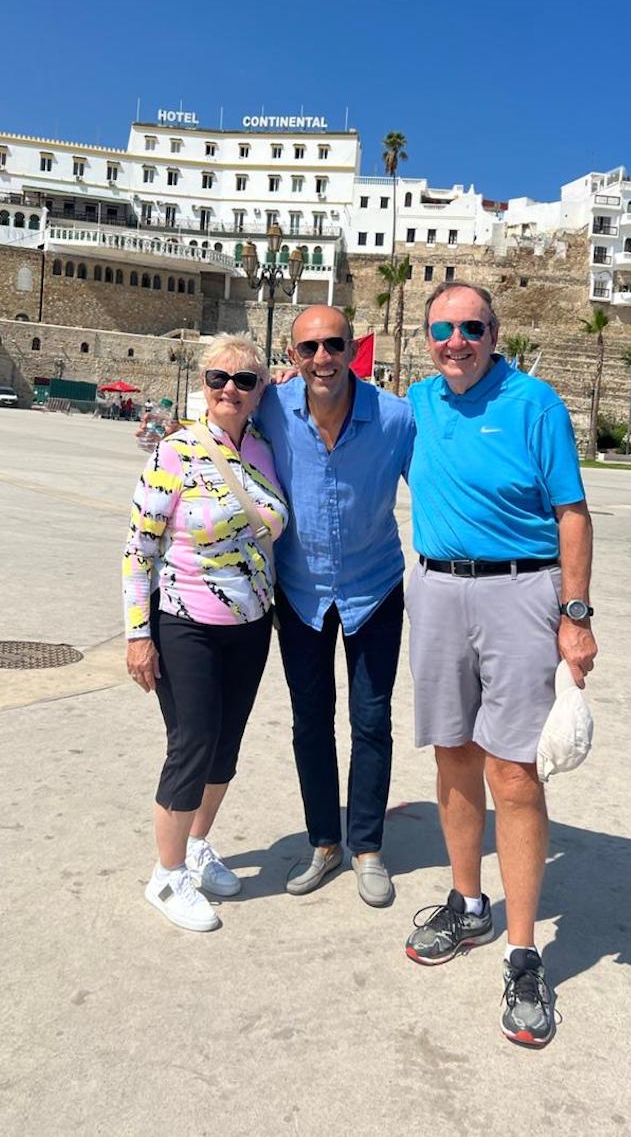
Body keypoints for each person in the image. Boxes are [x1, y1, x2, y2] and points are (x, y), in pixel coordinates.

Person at [403, 281, 597, 1048]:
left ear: (495, 331)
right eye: (442, 329)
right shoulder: (416, 402)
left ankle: (522, 952)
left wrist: (575, 616)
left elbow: (572, 514)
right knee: (452, 751)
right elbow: (334, 418)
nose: (456, 341)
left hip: (520, 590)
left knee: (513, 771)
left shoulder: (535, 403)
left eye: (471, 327)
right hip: (436, 588)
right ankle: (468, 903)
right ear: (427, 337)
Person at [123, 335, 288, 932]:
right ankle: (166, 877)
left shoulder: (265, 448)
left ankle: (195, 847)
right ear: (203, 383)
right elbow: (138, 549)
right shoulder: (176, 452)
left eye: (244, 381)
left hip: (251, 624)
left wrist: (290, 376)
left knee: (226, 745)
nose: (230, 390)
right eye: (219, 378)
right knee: (192, 744)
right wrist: (138, 635)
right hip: (184, 621)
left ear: (259, 391)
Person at [255, 305, 415, 907]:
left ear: (353, 349)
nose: (322, 358)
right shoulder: (271, 407)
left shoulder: (395, 418)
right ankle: (324, 842)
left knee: (371, 721)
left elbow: (440, 485)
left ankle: (367, 847)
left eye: (333, 345)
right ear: (292, 355)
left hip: (374, 588)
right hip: (300, 592)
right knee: (310, 721)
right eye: (309, 348)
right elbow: (219, 424)